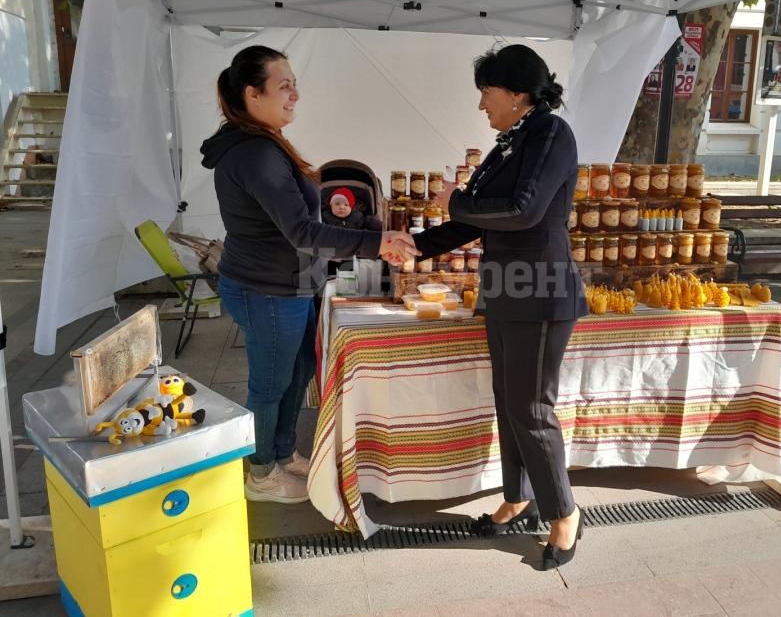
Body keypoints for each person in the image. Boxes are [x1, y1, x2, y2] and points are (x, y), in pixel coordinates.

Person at [201, 45, 417, 505]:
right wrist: (376, 244)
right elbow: (301, 231)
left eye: (294, 83)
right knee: (269, 384)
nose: (295, 94)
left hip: (289, 284)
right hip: (268, 289)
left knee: (298, 372)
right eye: (284, 85)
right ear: (252, 94)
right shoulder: (255, 153)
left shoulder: (264, 142)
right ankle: (261, 475)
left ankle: (281, 452)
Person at [412, 44, 589, 570]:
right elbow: (474, 223)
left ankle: (564, 515)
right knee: (510, 403)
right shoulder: (510, 141)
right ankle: (518, 496)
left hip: (541, 290)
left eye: (486, 94)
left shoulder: (552, 134)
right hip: (507, 290)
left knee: (533, 410)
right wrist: (412, 245)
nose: (482, 106)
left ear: (516, 93)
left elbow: (522, 209)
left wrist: (455, 201)